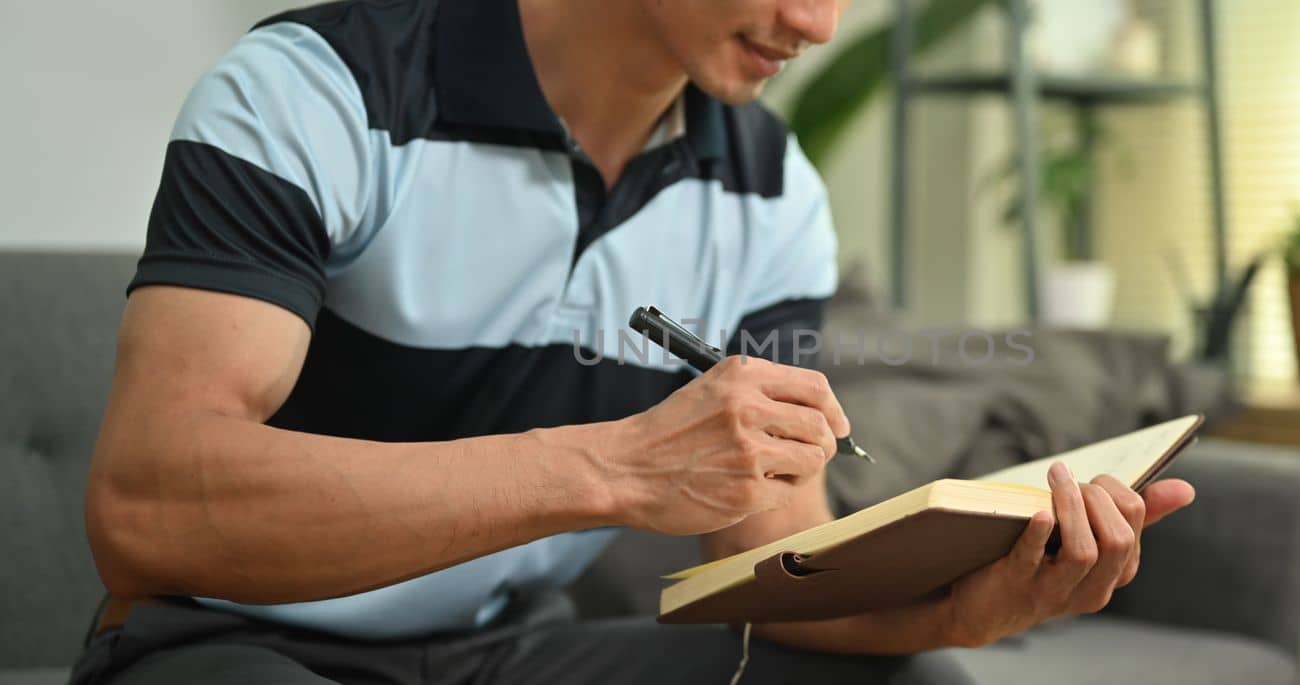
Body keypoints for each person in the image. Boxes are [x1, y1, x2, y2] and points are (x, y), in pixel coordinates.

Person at [70, 1, 1197, 683]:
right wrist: (614, 465)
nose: (813, 27)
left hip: (509, 652)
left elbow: (772, 565)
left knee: (912, 683)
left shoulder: (769, 190)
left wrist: (968, 606)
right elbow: (149, 507)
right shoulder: (312, 95)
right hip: (232, 645)